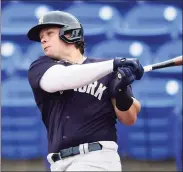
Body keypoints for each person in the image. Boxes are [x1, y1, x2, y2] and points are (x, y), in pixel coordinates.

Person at [27, 10, 144, 171]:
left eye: (49, 33)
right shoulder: (40, 67)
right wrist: (113, 64)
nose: (43, 39)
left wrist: (121, 90)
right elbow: (63, 78)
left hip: (96, 158)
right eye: (41, 37)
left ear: (70, 33)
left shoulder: (109, 72)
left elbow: (129, 118)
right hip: (57, 163)